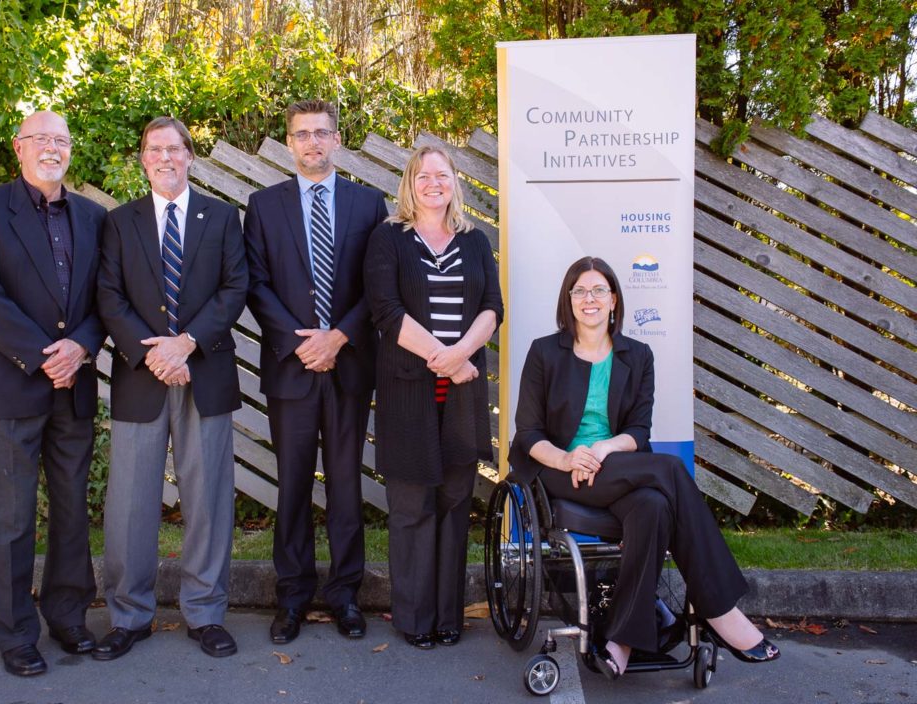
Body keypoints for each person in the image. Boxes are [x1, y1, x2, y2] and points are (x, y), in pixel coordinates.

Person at [510, 256, 780, 679]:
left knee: (653, 506)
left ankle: (621, 640)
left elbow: (638, 430)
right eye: (580, 291)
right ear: (568, 299)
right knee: (669, 470)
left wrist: (604, 448)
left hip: (615, 464)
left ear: (614, 299)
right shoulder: (545, 352)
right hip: (558, 469)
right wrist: (569, 457)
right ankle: (720, 610)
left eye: (599, 290)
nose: (589, 299)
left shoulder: (638, 355)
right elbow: (528, 433)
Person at [0, 110, 106, 676]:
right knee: (11, 519)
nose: (51, 148)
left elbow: (107, 295)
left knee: (71, 512)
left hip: (74, 385)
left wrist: (82, 347)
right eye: (40, 138)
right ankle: (16, 633)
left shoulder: (93, 216)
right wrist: (46, 358)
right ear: (17, 147)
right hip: (10, 385)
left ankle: (68, 615)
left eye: (61, 140)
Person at [94, 116, 248, 661]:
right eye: (154, 149)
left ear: (190, 156)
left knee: (207, 500)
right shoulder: (119, 222)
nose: (165, 157)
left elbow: (235, 287)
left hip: (205, 372)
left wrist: (186, 344)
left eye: (175, 148)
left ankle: (205, 613)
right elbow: (108, 295)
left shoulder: (222, 217)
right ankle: (128, 615)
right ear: (143, 159)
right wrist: (156, 355)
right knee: (130, 502)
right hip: (142, 375)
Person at [244, 99, 388, 644]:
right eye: (302, 134)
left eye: (321, 133)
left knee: (346, 485)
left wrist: (339, 336)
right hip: (292, 367)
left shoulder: (367, 204)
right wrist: (301, 343)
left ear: (337, 139)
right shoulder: (264, 205)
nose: (312, 142)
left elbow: (378, 284)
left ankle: (346, 595)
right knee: (293, 485)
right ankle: (293, 597)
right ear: (289, 142)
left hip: (349, 364)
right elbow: (256, 283)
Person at [364, 145, 503, 649]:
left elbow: (493, 307)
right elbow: (386, 310)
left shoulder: (474, 240)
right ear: (410, 183)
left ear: (454, 183)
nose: (433, 183)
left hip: (461, 394)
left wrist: (460, 355)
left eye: (441, 175)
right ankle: (414, 618)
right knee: (411, 508)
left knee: (453, 504)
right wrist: (442, 358)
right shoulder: (388, 238)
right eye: (423, 176)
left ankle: (448, 617)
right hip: (407, 392)